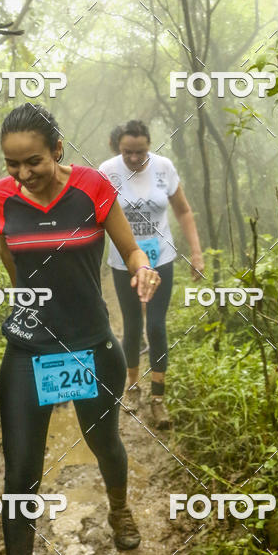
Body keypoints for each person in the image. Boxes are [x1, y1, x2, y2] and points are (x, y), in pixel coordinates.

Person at [0, 103, 161, 555]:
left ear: (57, 149)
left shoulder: (92, 188)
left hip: (87, 347)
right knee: (19, 475)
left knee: (103, 442)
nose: (22, 174)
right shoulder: (2, 195)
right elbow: (14, 266)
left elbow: (129, 247)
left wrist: (141, 268)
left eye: (33, 161)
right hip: (28, 349)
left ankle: (119, 508)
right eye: (13, 165)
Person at [99, 120, 204, 429]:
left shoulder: (163, 168)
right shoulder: (108, 170)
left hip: (162, 258)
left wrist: (196, 253)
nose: (134, 158)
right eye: (128, 152)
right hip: (124, 261)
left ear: (149, 146)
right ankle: (132, 387)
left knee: (156, 327)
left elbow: (183, 210)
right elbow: (97, 217)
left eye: (140, 152)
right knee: (131, 328)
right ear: (119, 147)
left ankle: (158, 398)